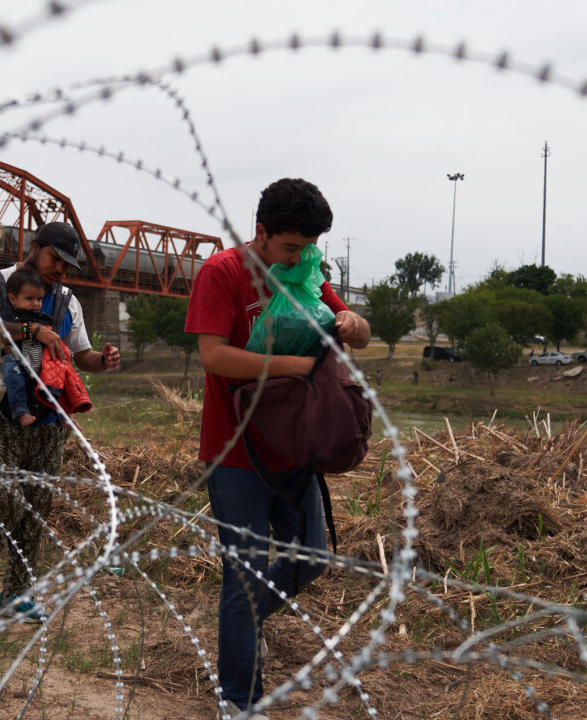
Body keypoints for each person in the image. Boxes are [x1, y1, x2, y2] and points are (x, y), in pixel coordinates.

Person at [184, 178, 370, 718]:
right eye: (291, 246)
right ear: (260, 233)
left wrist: (353, 323)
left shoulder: (307, 272)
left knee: (310, 558)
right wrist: (293, 366)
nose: (301, 255)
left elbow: (355, 334)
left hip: (295, 449)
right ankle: (239, 699)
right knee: (244, 573)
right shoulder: (222, 273)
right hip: (235, 455)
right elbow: (215, 357)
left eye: (308, 246)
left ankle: (242, 623)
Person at [0, 221, 121, 622]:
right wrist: (31, 328)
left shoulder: (68, 300)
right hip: (1, 414)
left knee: (35, 506)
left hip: (50, 420)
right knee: (2, 495)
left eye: (67, 266)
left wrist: (102, 361)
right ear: (35, 247)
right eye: (55, 259)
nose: (60, 271)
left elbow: (80, 354)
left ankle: (17, 594)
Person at [0, 268, 54, 426]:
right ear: (13, 299)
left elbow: (51, 339)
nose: (36, 304)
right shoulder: (8, 317)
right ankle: (20, 411)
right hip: (15, 358)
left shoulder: (43, 318)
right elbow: (0, 336)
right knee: (11, 370)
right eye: (30, 299)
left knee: (58, 374)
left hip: (37, 360)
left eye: (39, 299)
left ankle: (63, 413)